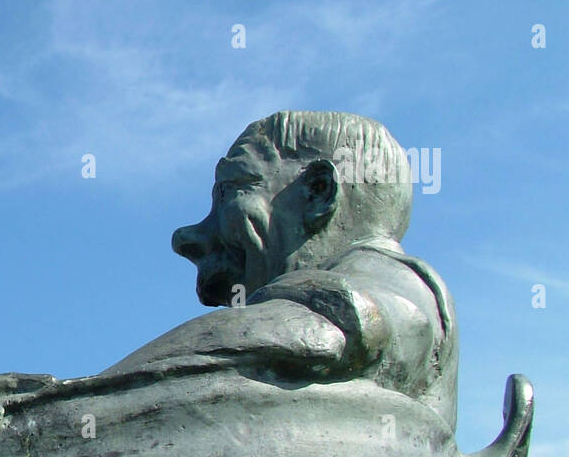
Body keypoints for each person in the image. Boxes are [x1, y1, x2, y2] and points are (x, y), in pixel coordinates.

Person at [105, 110, 457, 428]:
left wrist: (83, 398)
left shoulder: (386, 281)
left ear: (319, 192)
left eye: (229, 193)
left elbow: (361, 321)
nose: (185, 239)